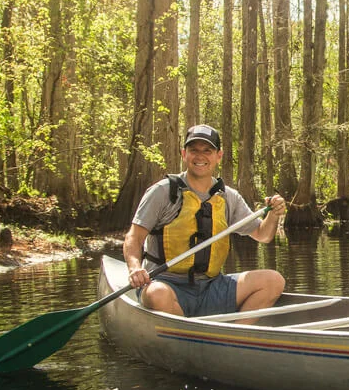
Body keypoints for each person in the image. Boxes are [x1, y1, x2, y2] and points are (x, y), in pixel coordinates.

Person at [123, 124, 288, 317]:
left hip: (212, 286)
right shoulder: (163, 192)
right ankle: (187, 338)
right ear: (184, 154)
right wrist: (135, 268)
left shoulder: (229, 198)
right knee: (157, 294)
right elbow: (133, 238)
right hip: (167, 284)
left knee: (273, 280)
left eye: (207, 151)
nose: (200, 156)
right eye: (194, 150)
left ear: (219, 155)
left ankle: (236, 337)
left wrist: (274, 215)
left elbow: (263, 235)